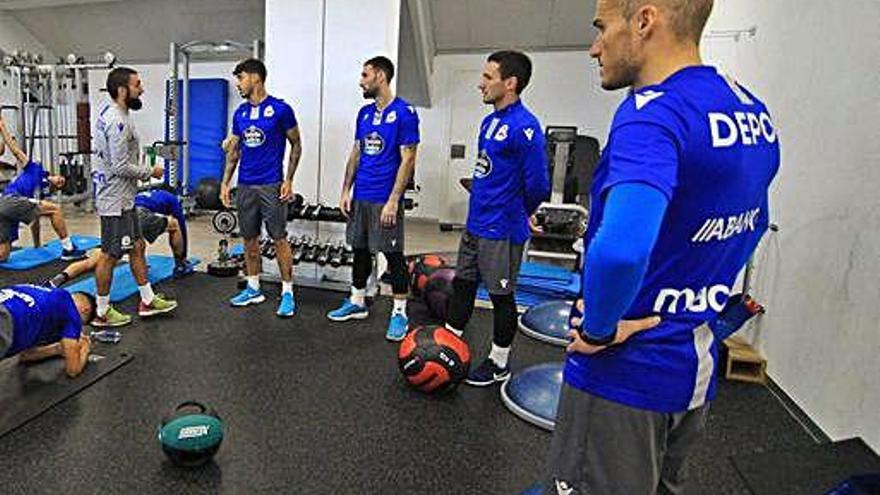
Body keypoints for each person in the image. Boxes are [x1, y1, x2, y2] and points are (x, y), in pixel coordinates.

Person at [541, 1, 781, 494]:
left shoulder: (652, 113)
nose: (594, 47)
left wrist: (601, 328)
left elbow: (621, 250)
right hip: (692, 370)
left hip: (624, 375)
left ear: (645, 20)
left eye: (601, 28)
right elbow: (756, 224)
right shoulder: (750, 109)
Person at [442, 51, 550, 386]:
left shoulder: (525, 127)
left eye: (488, 78)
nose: (480, 84)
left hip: (502, 229)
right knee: (462, 285)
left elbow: (538, 185)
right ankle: (448, 346)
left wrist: (522, 212)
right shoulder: (490, 122)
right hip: (476, 224)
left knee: (501, 296)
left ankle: (499, 362)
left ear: (510, 83)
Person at [326, 56, 420, 342]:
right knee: (360, 249)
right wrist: (345, 190)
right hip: (362, 196)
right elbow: (357, 153)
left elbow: (409, 159)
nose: (361, 81)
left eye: (365, 75)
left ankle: (399, 312)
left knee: (392, 255)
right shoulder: (364, 114)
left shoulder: (405, 112)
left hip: (384, 198)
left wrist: (394, 199)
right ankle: (357, 302)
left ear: (380, 76)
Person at [91, 67, 178, 328]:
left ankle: (147, 301)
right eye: (137, 84)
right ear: (122, 90)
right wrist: (150, 171)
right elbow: (119, 167)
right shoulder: (117, 121)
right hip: (115, 201)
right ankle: (102, 312)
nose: (142, 89)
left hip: (125, 198)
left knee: (138, 246)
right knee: (110, 255)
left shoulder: (117, 114)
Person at [221, 58, 302, 318]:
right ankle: (254, 286)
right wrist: (225, 183)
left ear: (255, 77)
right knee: (249, 238)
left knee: (279, 238)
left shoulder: (280, 109)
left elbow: (296, 145)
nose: (238, 84)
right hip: (246, 184)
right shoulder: (240, 114)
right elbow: (233, 152)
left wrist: (288, 180)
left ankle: (287, 291)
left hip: (271, 184)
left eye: (241, 78)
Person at [41, 188, 192, 288]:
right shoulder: (172, 199)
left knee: (99, 258)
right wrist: (183, 255)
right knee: (174, 225)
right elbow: (182, 225)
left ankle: (57, 280)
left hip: (120, 216)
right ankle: (180, 264)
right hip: (138, 215)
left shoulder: (143, 194)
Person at [0, 116, 87, 262]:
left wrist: (37, 246)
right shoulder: (35, 170)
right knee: (56, 209)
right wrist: (2, 128)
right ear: (54, 174)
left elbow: (35, 221)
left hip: (7, 208)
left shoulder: (39, 195)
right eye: (61, 178)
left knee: (3, 255)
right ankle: (68, 249)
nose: (60, 181)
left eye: (61, 184)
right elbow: (15, 151)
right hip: (9, 200)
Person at [0, 284, 94, 378]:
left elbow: (25, 355)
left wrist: (58, 348)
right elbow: (73, 370)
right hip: (5, 320)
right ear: (85, 310)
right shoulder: (72, 313)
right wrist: (85, 348)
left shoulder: (37, 292)